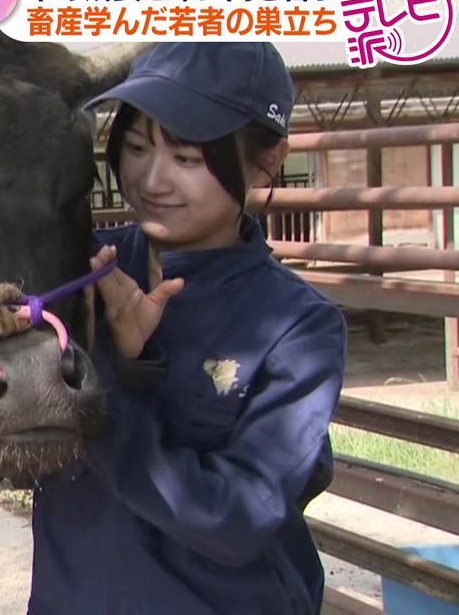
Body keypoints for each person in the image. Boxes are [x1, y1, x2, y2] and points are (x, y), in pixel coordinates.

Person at [27, 42, 347, 614]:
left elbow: (238, 516)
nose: (152, 180)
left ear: (268, 160)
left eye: (188, 158)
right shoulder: (77, 275)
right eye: (136, 147)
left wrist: (101, 382)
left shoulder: (297, 327)